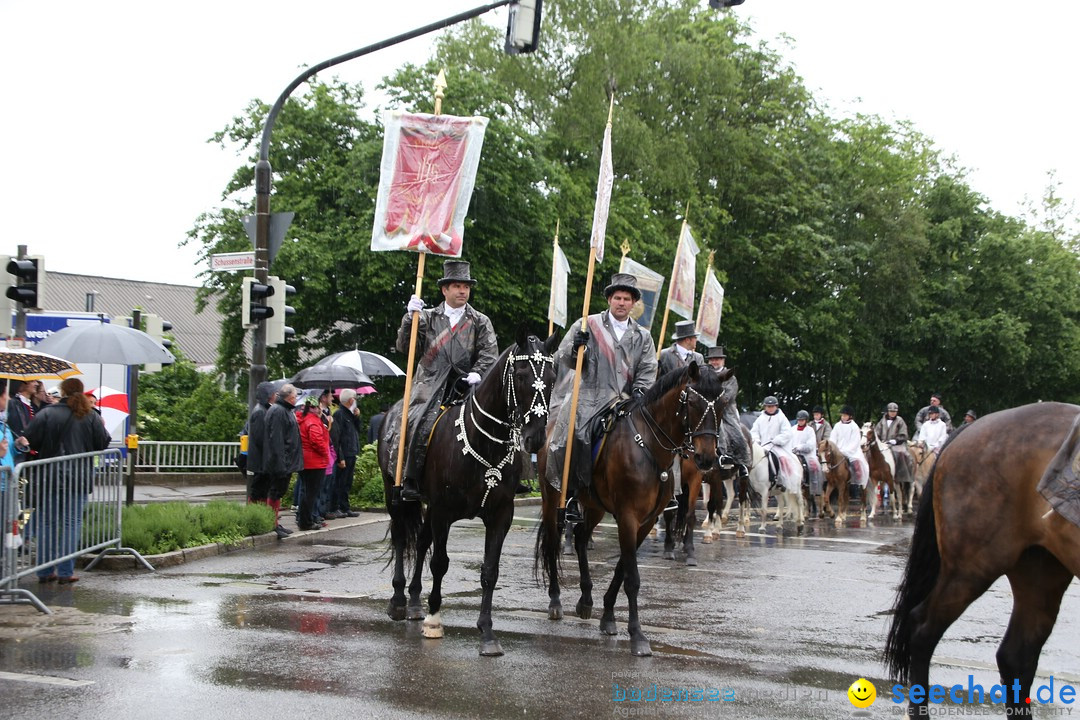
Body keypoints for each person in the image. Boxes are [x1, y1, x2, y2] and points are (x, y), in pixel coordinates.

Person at [547, 273, 658, 523]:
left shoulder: (643, 336)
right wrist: (576, 347)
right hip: (590, 398)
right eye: (617, 297)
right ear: (609, 299)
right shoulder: (587, 325)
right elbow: (562, 359)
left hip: (629, 400)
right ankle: (573, 494)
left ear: (633, 303)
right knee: (574, 433)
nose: (621, 302)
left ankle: (664, 493)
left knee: (660, 432)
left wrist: (640, 393)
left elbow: (648, 369)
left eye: (626, 299)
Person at [397, 259, 498, 502]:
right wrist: (410, 319)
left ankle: (505, 476)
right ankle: (411, 478)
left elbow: (489, 353)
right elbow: (405, 347)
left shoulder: (480, 320)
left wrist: (478, 373)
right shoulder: (427, 317)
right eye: (457, 286)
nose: (463, 291)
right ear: (445, 290)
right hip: (430, 384)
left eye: (466, 286)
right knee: (419, 422)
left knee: (500, 417)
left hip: (467, 383)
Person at [20, 378, 111, 584]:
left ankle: (44, 571)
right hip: (78, 478)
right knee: (72, 523)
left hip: (48, 477)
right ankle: (66, 571)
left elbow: (30, 439)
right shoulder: (91, 416)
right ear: (81, 392)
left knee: (47, 523)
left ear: (62, 391)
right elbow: (102, 443)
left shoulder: (47, 413)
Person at [262, 383, 303, 539]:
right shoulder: (279, 411)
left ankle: (275, 524)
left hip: (285, 461)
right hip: (279, 462)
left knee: (278, 492)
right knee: (275, 492)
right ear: (290, 397)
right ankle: (272, 525)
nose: (296, 399)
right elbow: (276, 440)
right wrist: (281, 464)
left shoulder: (284, 410)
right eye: (295, 396)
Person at [749, 396, 800, 493]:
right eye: (768, 406)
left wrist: (777, 439)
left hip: (778, 446)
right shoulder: (760, 419)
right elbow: (754, 431)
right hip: (763, 445)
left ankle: (781, 480)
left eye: (772, 406)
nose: (770, 408)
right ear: (765, 407)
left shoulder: (781, 418)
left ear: (776, 406)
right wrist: (757, 440)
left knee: (783, 459)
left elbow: (787, 433)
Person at [295, 394, 330, 532]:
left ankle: (304, 519)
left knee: (306, 492)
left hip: (305, 460)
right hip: (314, 461)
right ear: (314, 408)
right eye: (318, 407)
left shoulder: (302, 419)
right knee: (311, 493)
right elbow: (317, 441)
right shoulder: (313, 421)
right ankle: (306, 521)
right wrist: (325, 453)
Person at [328, 389, 362, 518]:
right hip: (345, 453)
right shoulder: (339, 414)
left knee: (347, 482)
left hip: (351, 451)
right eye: (355, 399)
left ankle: (345, 506)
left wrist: (357, 417)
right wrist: (340, 456)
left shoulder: (350, 414)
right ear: (351, 400)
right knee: (340, 482)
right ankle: (336, 506)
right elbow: (337, 437)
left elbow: (357, 430)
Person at [244, 381, 277, 504]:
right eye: (274, 393)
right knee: (258, 491)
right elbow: (260, 438)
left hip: (263, 460)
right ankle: (255, 515)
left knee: (263, 490)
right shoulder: (260, 412)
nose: (275, 396)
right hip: (261, 461)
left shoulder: (264, 409)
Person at [790, 409, 824, 512]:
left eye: (802, 420)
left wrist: (800, 447)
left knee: (814, 467)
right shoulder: (792, 429)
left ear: (806, 420)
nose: (800, 422)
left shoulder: (810, 430)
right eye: (799, 420)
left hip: (807, 454)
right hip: (794, 454)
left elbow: (810, 445)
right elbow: (789, 441)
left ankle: (812, 484)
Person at [831, 405, 868, 494]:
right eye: (842, 415)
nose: (843, 417)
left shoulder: (854, 427)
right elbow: (832, 438)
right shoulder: (837, 426)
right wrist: (835, 449)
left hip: (851, 452)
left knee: (857, 466)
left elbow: (855, 442)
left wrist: (845, 451)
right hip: (838, 451)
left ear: (850, 416)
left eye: (845, 415)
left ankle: (857, 484)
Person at [7, 380, 37, 464]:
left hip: (27, 452)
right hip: (18, 453)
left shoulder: (29, 405)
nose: (36, 384)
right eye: (33, 381)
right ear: (24, 384)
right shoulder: (13, 403)